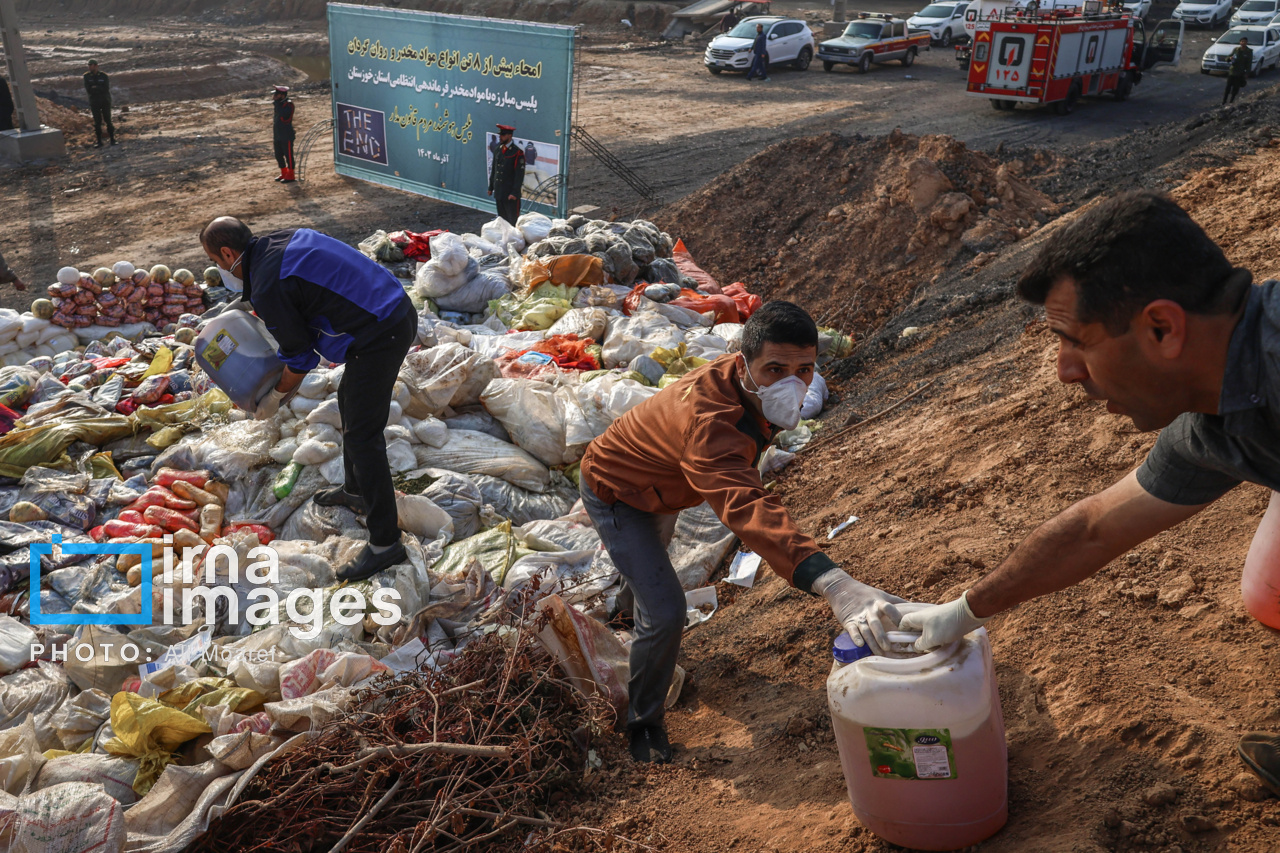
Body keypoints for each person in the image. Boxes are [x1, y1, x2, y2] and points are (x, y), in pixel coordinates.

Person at [897, 190, 1280, 797]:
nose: (1065, 371)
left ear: (1162, 327)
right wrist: (965, 610)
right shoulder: (1213, 413)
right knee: (1271, 591)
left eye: (1077, 341)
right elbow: (1095, 526)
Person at [579, 301, 903, 763]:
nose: (791, 382)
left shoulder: (748, 391)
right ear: (743, 362)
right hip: (618, 491)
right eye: (775, 369)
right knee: (667, 610)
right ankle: (643, 724)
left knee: (650, 572)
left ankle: (628, 616)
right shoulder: (708, 422)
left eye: (804, 369)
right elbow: (746, 505)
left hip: (663, 485)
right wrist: (832, 581)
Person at [199, 217, 416, 580]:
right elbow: (294, 293)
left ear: (227, 252)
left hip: (382, 331)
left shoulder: (269, 283)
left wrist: (274, 398)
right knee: (349, 399)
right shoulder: (278, 241)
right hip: (388, 307)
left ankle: (385, 543)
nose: (221, 270)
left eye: (218, 263)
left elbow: (301, 359)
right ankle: (356, 489)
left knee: (364, 436)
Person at [487, 124, 525, 225]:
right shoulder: (498, 150)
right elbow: (494, 170)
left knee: (512, 220)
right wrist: (491, 187)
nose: (500, 137)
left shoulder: (517, 152)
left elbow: (519, 176)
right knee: (502, 220)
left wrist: (514, 192)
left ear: (509, 136)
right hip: (500, 191)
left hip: (510, 193)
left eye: (503, 135)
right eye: (500, 135)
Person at [83, 60, 115, 148]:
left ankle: (112, 139)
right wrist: (98, 88)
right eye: (89, 65)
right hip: (94, 101)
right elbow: (88, 89)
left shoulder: (103, 76)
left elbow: (105, 88)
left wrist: (95, 87)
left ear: (96, 66)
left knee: (108, 120)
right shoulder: (86, 76)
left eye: (91, 65)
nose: (89, 67)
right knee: (97, 122)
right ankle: (99, 141)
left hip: (105, 100)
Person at [272, 85, 296, 183]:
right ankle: (284, 172)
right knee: (278, 155)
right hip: (278, 134)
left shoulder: (288, 105)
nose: (274, 96)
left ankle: (291, 175)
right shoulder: (279, 104)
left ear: (282, 95)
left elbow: (283, 114)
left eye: (276, 94)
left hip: (286, 135)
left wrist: (277, 103)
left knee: (288, 155)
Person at [1225, 37, 1252, 105]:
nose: (1243, 43)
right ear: (1240, 42)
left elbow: (1249, 63)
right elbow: (1228, 58)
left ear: (1246, 43)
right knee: (1228, 87)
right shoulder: (1236, 50)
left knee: (1235, 88)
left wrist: (1247, 73)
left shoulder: (1249, 52)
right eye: (1242, 41)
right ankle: (1224, 101)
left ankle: (1231, 101)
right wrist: (1229, 58)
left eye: (1244, 41)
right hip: (1232, 71)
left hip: (1240, 73)